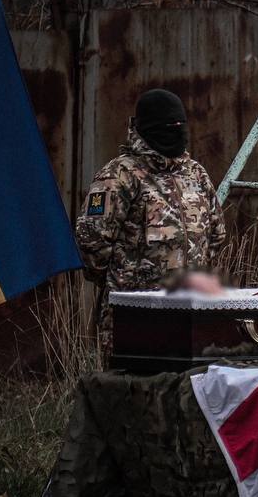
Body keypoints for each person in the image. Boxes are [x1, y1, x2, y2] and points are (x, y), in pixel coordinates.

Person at [76, 88, 227, 358]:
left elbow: (216, 233)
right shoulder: (118, 176)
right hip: (135, 316)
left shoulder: (196, 174)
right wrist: (126, 282)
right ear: (146, 128)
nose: (176, 131)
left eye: (180, 125)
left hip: (192, 312)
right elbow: (91, 244)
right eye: (169, 126)